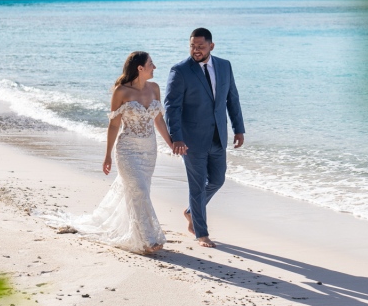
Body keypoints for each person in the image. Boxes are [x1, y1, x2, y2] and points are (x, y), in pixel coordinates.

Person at [41, 51, 174, 254]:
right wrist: (107, 155)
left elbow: (158, 120)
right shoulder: (121, 92)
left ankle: (138, 234)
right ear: (140, 68)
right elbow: (113, 125)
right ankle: (148, 239)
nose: (154, 67)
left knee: (140, 191)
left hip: (149, 150)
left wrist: (171, 144)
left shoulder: (154, 88)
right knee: (139, 189)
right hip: (128, 150)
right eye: (151, 64)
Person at [164, 28, 245, 248]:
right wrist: (176, 137)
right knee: (197, 186)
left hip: (218, 136)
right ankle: (201, 233)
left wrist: (239, 128)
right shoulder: (180, 70)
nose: (196, 50)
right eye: (192, 46)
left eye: (200, 46)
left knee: (218, 180)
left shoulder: (224, 66)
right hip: (191, 141)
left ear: (211, 46)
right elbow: (171, 107)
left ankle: (191, 211)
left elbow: (232, 99)